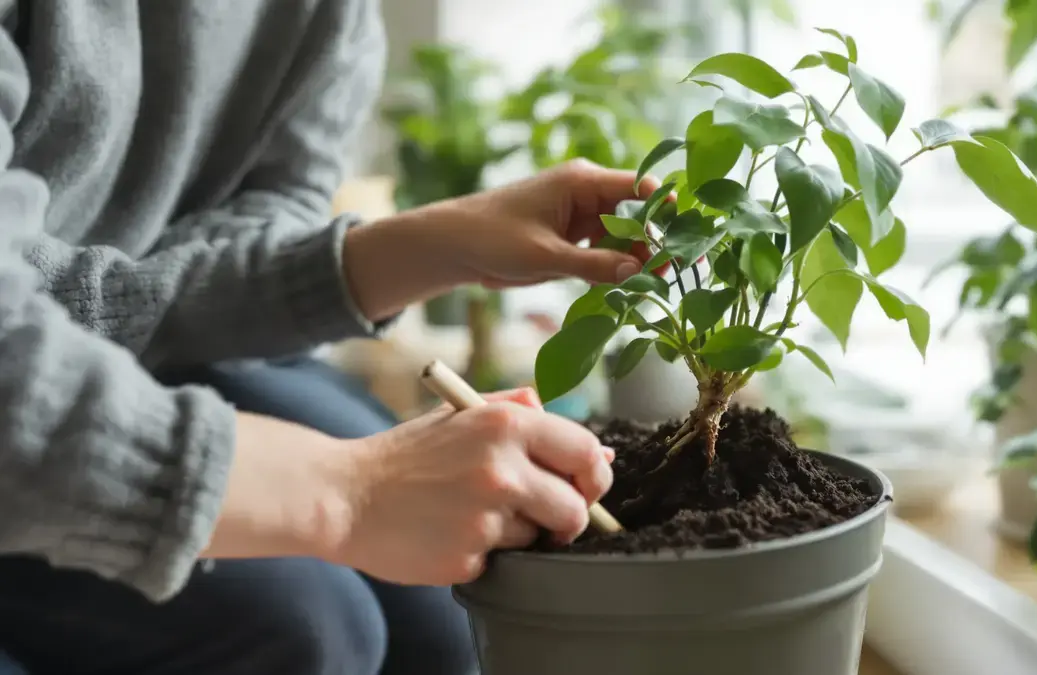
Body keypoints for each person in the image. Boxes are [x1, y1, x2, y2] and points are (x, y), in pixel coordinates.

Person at [0, 1, 657, 674]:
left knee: (448, 609)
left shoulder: (325, 18)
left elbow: (231, 245)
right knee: (305, 629)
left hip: (135, 356)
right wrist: (352, 492)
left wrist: (415, 249)